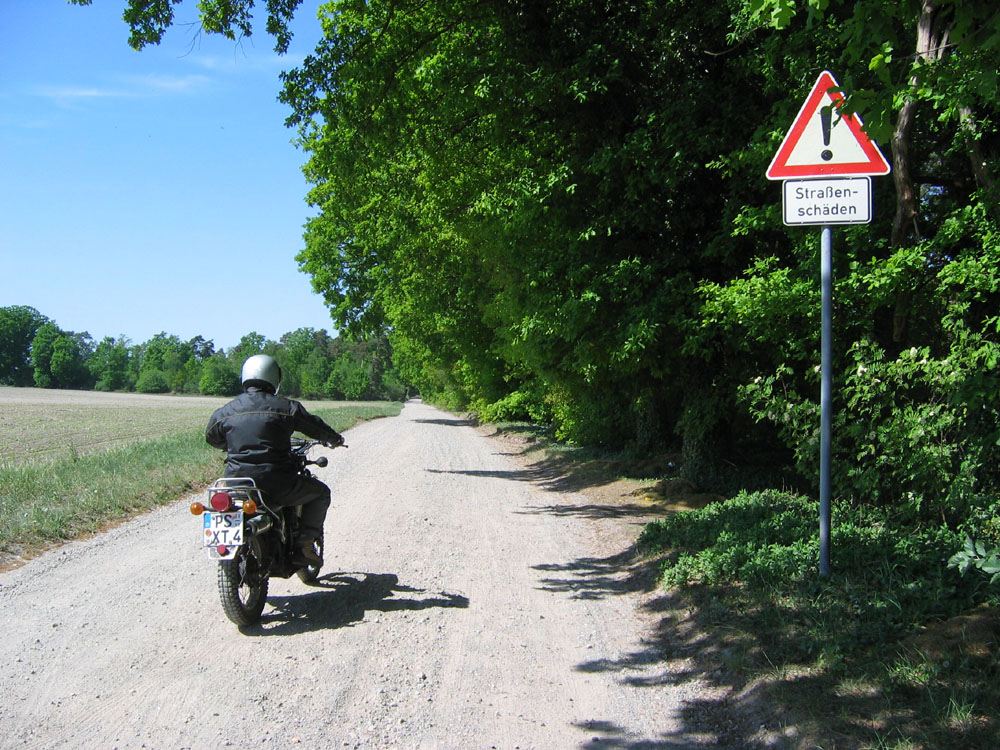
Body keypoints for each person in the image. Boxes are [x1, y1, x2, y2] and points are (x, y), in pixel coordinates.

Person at [205, 354, 344, 565]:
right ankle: (304, 545)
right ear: (274, 378)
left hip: (235, 483)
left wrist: (232, 445)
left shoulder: (226, 411)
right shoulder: (286, 408)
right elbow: (315, 427)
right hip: (276, 483)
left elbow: (211, 437)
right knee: (321, 493)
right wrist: (334, 439)